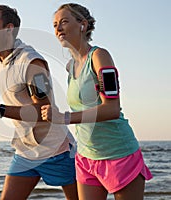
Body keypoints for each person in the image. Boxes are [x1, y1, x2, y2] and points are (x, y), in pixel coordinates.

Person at [41, 3, 152, 200]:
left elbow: (112, 109)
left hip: (118, 153)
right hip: (86, 157)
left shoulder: (100, 56)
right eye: (55, 24)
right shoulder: (71, 66)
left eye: (64, 22)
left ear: (82, 25)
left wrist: (64, 118)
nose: (58, 28)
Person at [0, 5, 78, 200]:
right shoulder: (1, 61)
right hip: (25, 151)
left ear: (9, 29)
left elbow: (44, 111)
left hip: (56, 151)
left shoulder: (31, 63)